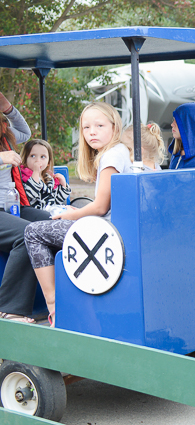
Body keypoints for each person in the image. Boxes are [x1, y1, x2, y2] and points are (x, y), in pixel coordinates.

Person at [24, 102, 131, 326]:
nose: (92, 132)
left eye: (99, 125)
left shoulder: (110, 158)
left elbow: (101, 208)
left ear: (114, 126)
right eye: (86, 127)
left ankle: (54, 307)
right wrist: (79, 212)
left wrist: (73, 215)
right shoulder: (117, 152)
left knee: (33, 232)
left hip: (104, 235)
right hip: (108, 228)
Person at [0, 92, 54, 323]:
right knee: (27, 235)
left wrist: (7, 106)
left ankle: (46, 300)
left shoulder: (6, 134)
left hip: (11, 205)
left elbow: (26, 132)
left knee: (51, 221)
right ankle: (9, 310)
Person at [21, 139, 71, 209]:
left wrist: (63, 185)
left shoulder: (49, 179)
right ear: (25, 159)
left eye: (42, 157)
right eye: (32, 156)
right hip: (34, 215)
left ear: (48, 162)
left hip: (50, 213)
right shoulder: (24, 177)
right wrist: (36, 172)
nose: (37, 160)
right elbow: (30, 195)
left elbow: (56, 201)